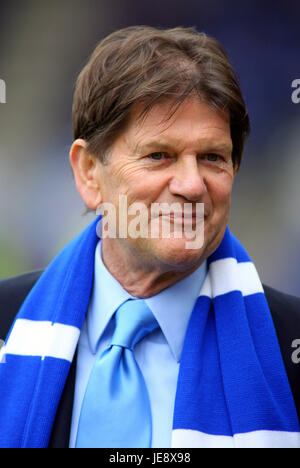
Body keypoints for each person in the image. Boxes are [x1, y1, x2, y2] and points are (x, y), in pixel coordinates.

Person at [0, 26, 299, 449]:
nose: (192, 185)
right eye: (160, 155)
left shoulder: (288, 345)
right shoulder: (6, 325)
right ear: (88, 172)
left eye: (213, 157)